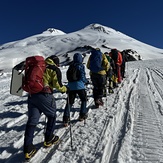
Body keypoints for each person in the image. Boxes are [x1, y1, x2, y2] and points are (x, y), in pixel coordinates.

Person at [23, 55, 67, 160]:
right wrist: (65, 89)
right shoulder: (53, 69)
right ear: (56, 62)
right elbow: (58, 85)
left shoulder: (36, 66)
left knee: (32, 121)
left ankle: (28, 148)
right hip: (45, 95)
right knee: (52, 116)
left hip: (32, 95)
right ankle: (49, 138)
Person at [63, 53, 88, 126]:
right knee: (83, 99)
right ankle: (82, 115)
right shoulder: (80, 66)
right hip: (80, 86)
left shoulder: (71, 65)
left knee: (69, 102)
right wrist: (86, 81)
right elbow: (82, 76)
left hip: (71, 86)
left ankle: (65, 118)